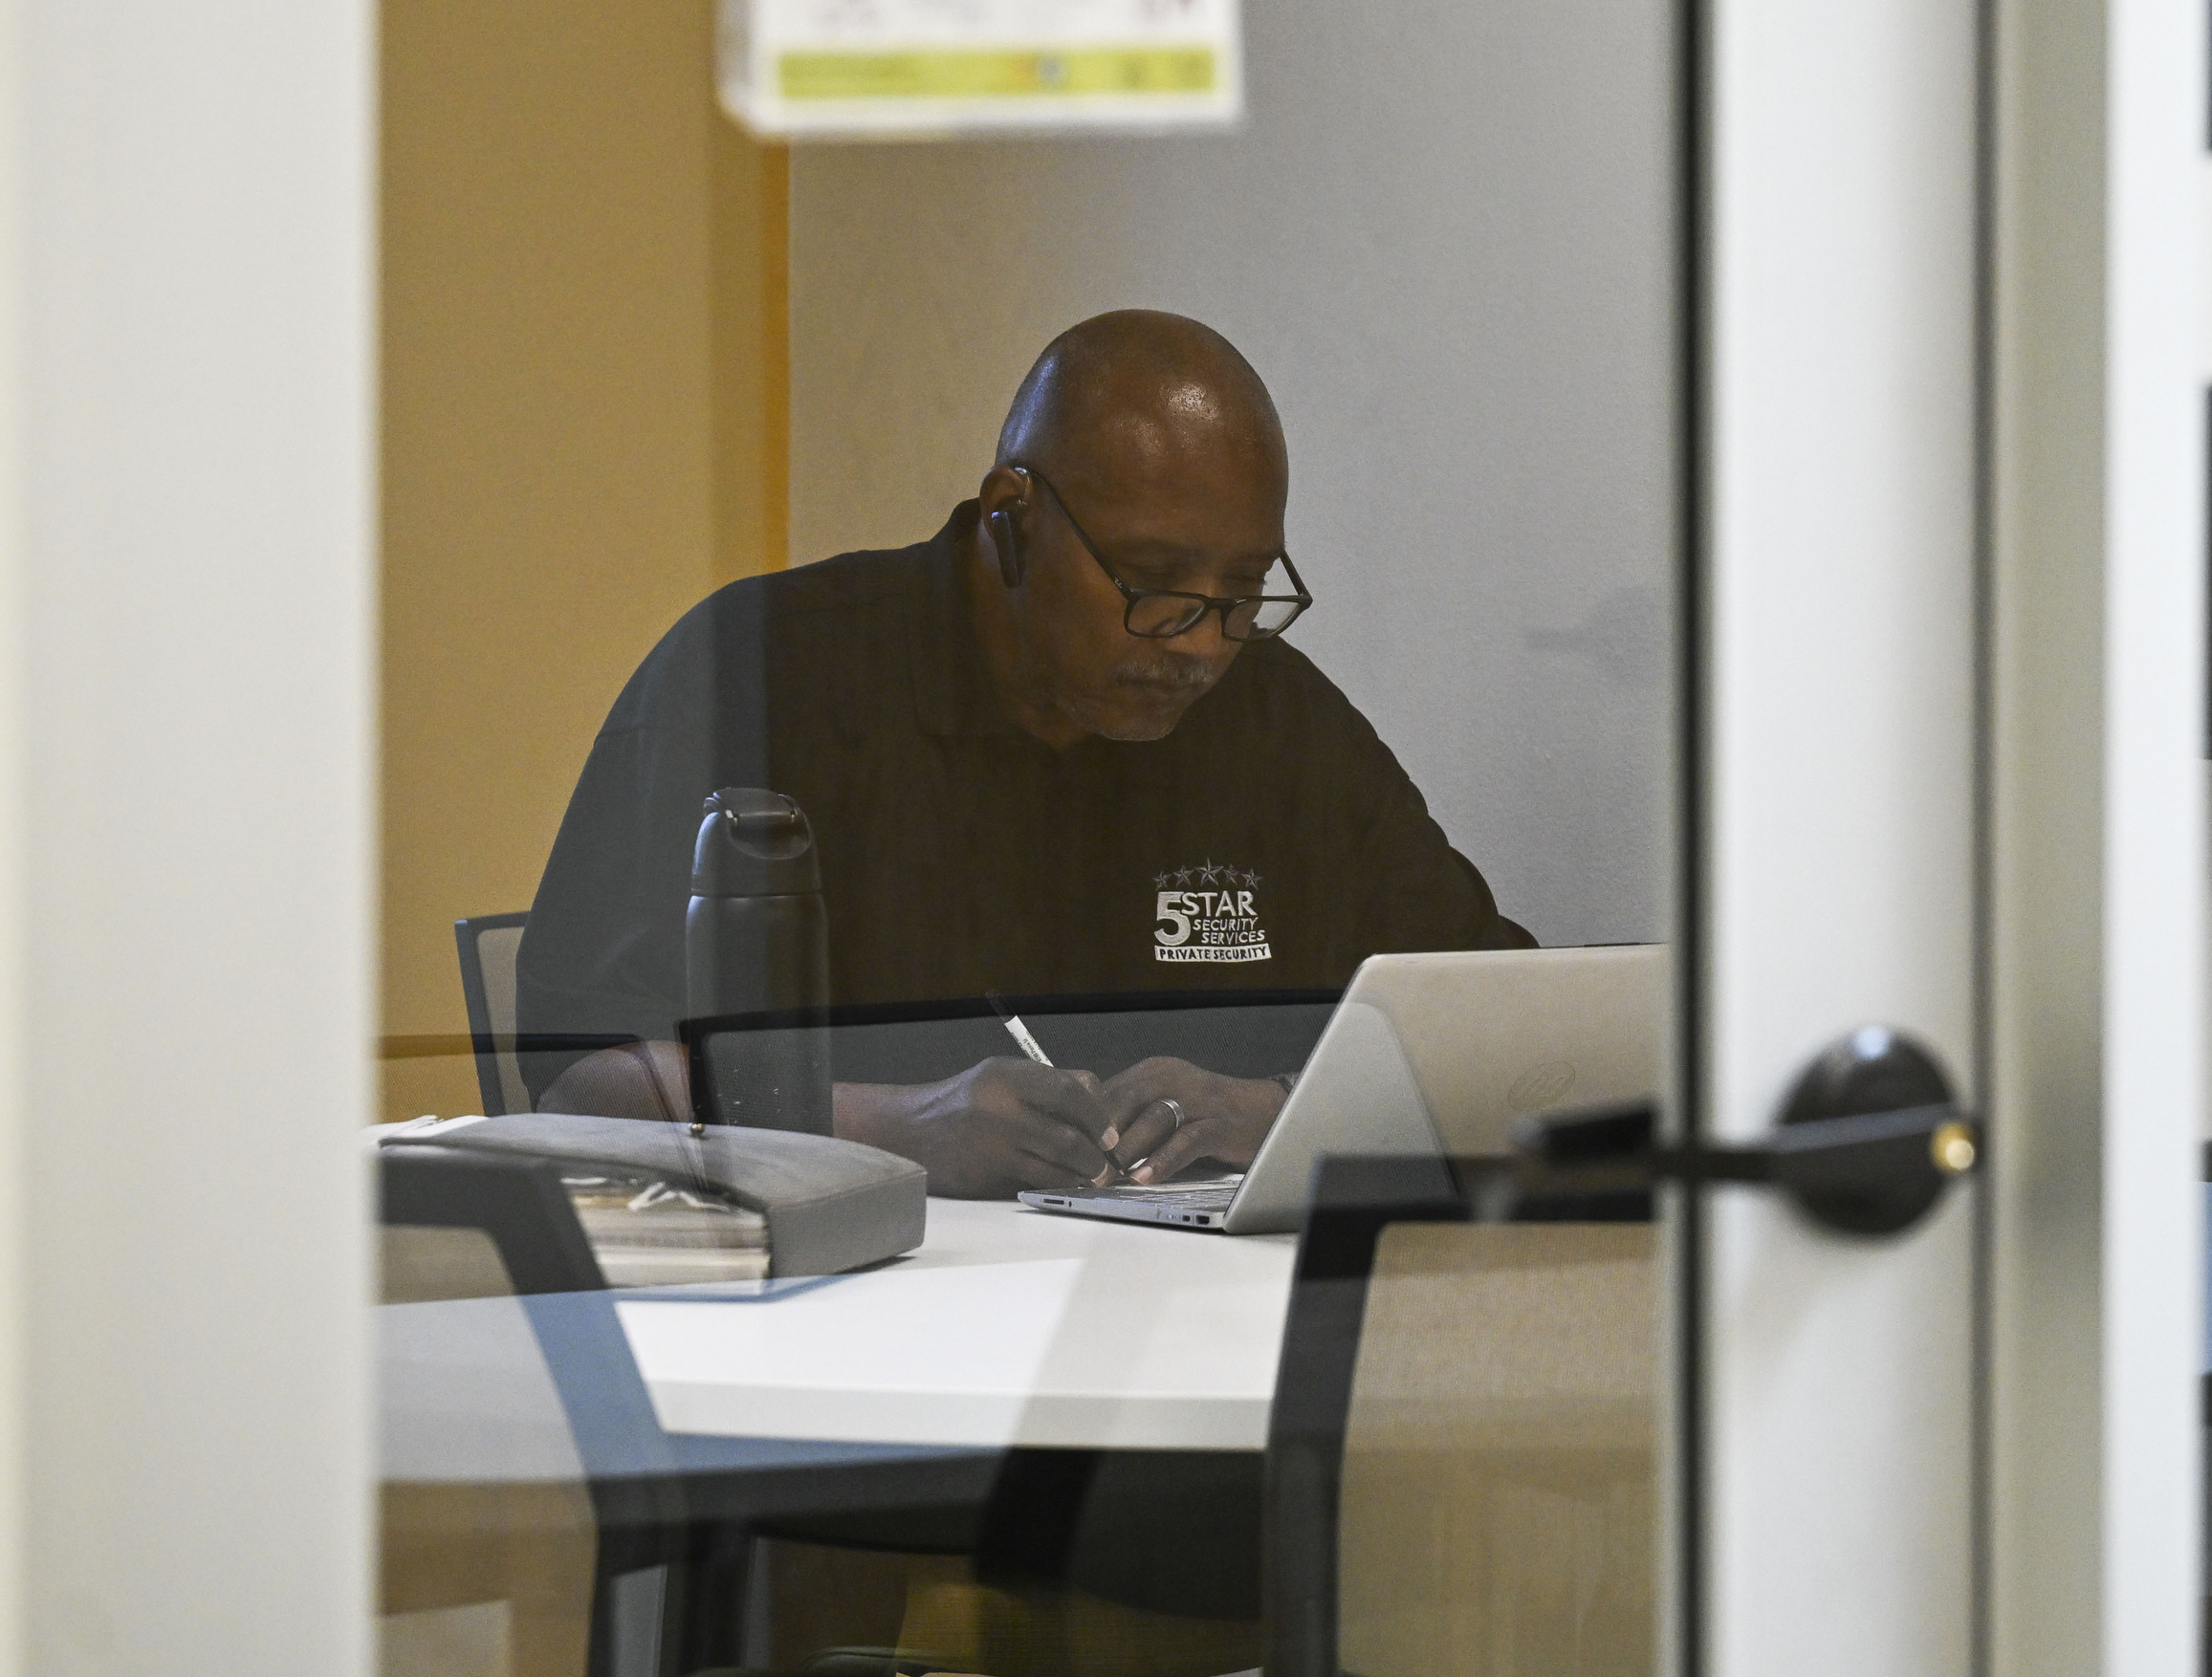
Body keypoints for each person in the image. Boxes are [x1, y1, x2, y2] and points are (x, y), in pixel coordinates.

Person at [515, 309, 1528, 1194]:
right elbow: (580, 1080)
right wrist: (894, 1127)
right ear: (1011, 520)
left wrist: (1277, 1109)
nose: (1203, 642)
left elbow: (1498, 1027)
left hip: (1193, 1307)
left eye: (1243, 589)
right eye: (1152, 581)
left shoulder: (1277, 721)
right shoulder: (761, 674)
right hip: (843, 1297)